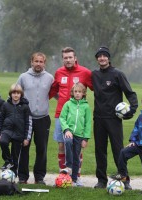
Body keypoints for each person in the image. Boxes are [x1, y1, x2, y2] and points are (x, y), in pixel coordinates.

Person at [92, 46, 138, 189]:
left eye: (104, 56)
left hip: (114, 119)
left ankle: (124, 179)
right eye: (99, 56)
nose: (102, 58)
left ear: (109, 58)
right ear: (97, 59)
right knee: (100, 150)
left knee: (118, 150)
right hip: (98, 118)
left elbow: (130, 93)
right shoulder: (94, 74)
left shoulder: (117, 74)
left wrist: (132, 110)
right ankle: (101, 180)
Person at [49, 47, 93, 186]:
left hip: (77, 118)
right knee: (62, 145)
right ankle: (64, 176)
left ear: (75, 58)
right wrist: (63, 102)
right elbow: (52, 91)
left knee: (77, 148)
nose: (68, 60)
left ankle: (76, 176)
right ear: (63, 59)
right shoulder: (58, 72)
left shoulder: (85, 73)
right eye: (65, 58)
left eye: (70, 57)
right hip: (60, 115)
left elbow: (96, 88)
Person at [111, 93, 142, 195]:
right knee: (123, 153)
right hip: (137, 145)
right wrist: (133, 141)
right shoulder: (141, 116)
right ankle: (122, 174)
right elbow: (136, 129)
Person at [17, 52, 54, 184]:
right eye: (36, 61)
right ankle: (22, 176)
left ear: (44, 63)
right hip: (26, 118)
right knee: (23, 147)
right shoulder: (23, 77)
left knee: (42, 148)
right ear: (31, 62)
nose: (38, 64)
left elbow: (57, 95)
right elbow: (16, 95)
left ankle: (39, 177)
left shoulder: (50, 78)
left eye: (41, 61)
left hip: (43, 118)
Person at [0, 84, 32, 177]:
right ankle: (8, 161)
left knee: (15, 155)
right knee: (3, 142)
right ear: (10, 94)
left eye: (18, 93)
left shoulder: (25, 107)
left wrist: (26, 138)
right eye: (14, 93)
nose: (16, 95)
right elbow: (0, 119)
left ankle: (13, 174)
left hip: (19, 133)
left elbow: (28, 122)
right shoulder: (5, 105)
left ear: (21, 94)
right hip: (6, 130)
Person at [59, 83, 91, 186]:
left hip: (80, 135)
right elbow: (62, 117)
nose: (77, 94)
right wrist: (66, 129)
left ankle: (74, 179)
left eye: (79, 92)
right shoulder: (68, 104)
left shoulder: (86, 106)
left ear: (83, 93)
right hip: (69, 132)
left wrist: (85, 138)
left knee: (77, 156)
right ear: (72, 93)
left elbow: (88, 123)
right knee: (67, 141)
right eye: (75, 92)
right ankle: (68, 166)